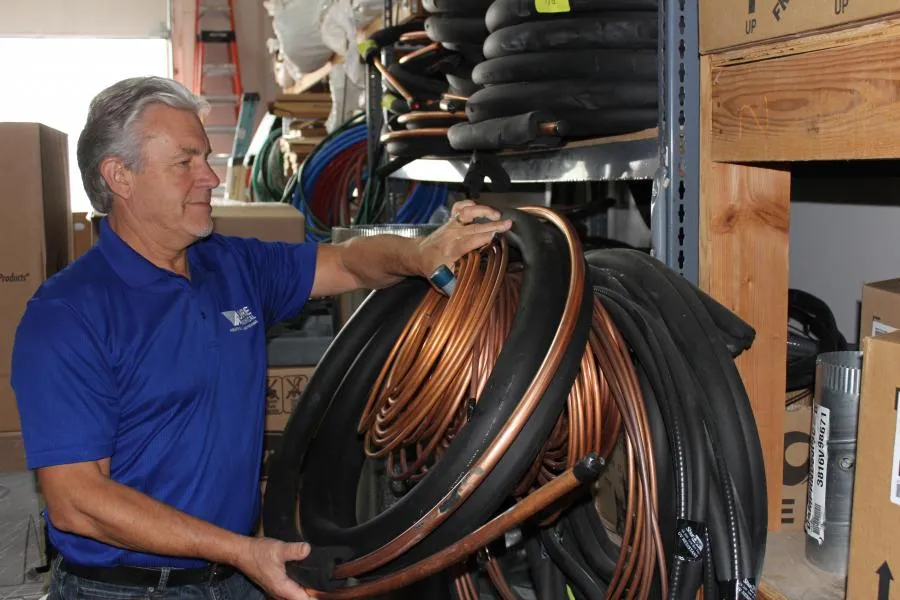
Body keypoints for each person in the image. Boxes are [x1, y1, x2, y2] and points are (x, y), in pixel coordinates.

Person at [10, 76, 511, 600]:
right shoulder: (68, 315)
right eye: (185, 162)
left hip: (234, 573)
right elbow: (77, 501)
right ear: (120, 177)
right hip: (129, 590)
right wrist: (239, 549)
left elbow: (346, 262)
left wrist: (421, 254)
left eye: (206, 157)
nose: (208, 177)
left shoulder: (230, 265)